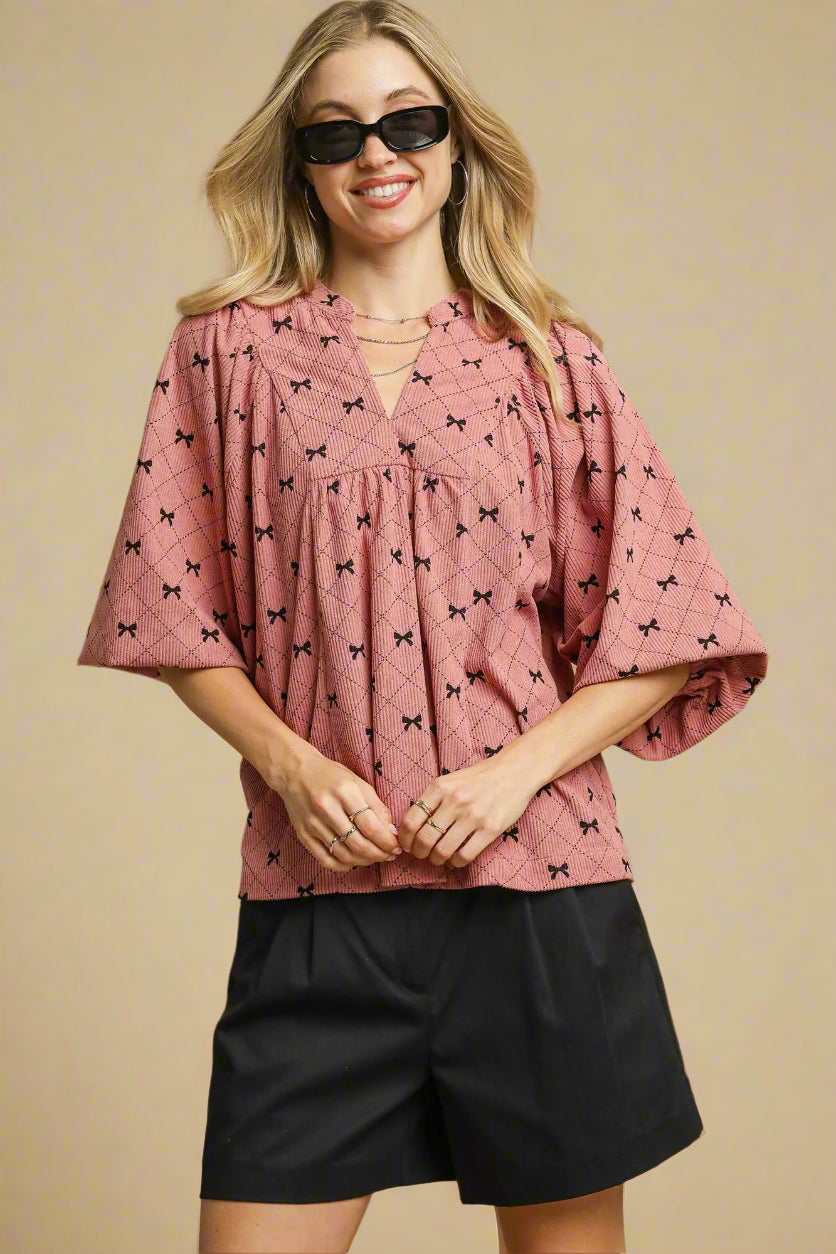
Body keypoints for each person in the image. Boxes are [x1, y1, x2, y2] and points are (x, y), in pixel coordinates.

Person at [76, 3, 770, 1252]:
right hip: (316, 897)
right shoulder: (224, 356)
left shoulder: (552, 364)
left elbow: (667, 627)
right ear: (298, 161)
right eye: (334, 131)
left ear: (455, 145)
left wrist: (511, 777)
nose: (374, 154)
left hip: (539, 898)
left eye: (406, 122)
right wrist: (292, 767)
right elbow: (170, 609)